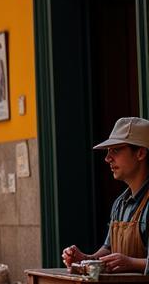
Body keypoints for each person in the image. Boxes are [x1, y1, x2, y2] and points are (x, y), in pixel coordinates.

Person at [63, 117, 149, 274]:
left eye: (115, 150)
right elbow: (108, 249)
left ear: (140, 153)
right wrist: (85, 260)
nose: (107, 158)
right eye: (108, 152)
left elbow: (124, 261)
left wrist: (132, 263)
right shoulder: (120, 203)